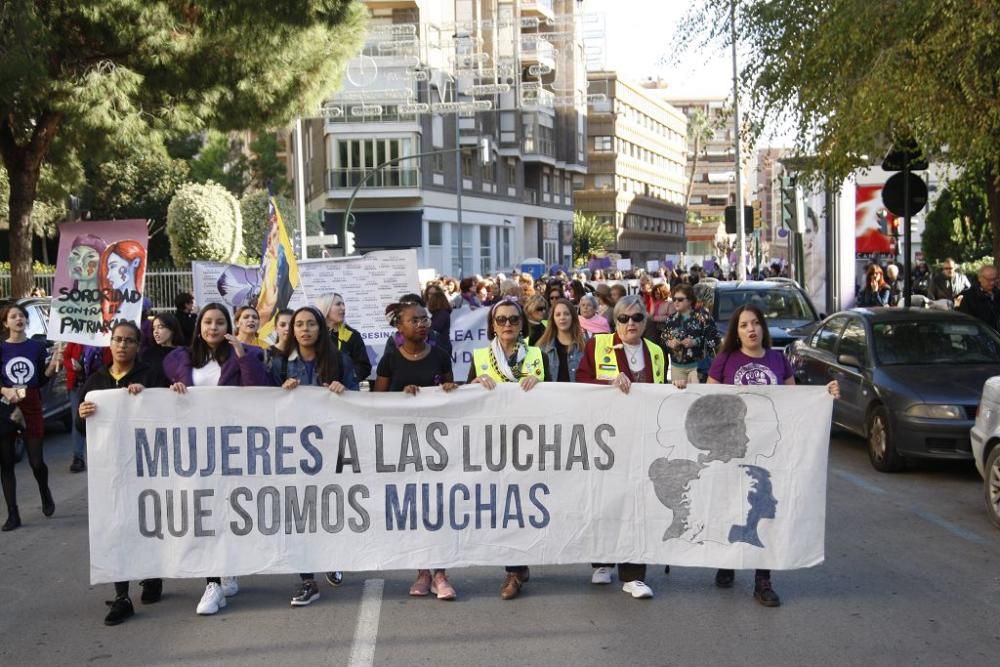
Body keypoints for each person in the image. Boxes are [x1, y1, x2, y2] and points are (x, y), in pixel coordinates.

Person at [707, 304, 839, 607]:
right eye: (743, 325)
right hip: (734, 448)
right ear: (736, 332)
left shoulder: (778, 360)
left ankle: (762, 580)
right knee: (730, 505)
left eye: (755, 323)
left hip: (770, 451)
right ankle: (727, 561)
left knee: (761, 509)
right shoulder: (725, 360)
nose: (751, 329)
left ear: (763, 327)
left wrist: (824, 393)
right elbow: (708, 401)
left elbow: (796, 402)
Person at [162, 303, 272, 615]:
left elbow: (258, 390)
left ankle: (228, 565)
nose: (213, 328)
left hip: (231, 445)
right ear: (199, 326)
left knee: (229, 507)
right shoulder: (180, 359)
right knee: (205, 510)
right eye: (208, 322)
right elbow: (165, 394)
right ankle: (212, 584)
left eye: (220, 322)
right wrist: (173, 389)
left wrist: (241, 355)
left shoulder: (245, 355)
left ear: (228, 327)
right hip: (195, 447)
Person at [575, 295, 664, 599]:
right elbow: (582, 382)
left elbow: (661, 392)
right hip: (605, 437)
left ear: (645, 321)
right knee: (603, 501)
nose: (630, 324)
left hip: (640, 438)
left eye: (637, 318)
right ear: (614, 321)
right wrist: (609, 385)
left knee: (637, 504)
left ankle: (633, 574)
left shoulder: (655, 352)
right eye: (624, 318)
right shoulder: (597, 345)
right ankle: (601, 563)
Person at [77, 321, 165, 625]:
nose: (122, 345)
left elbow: (169, 417)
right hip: (111, 469)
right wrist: (82, 414)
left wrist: (148, 399)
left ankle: (152, 574)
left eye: (129, 341)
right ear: (110, 343)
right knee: (116, 525)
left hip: (146, 466)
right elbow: (81, 428)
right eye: (117, 340)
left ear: (137, 346)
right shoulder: (96, 381)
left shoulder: (151, 376)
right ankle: (121, 595)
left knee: (148, 522)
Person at [375, 301, 459, 600]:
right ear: (400, 326)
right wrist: (401, 396)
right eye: (415, 320)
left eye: (425, 319)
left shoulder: (440, 356)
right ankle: (422, 572)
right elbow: (377, 403)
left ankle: (441, 574)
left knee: (440, 508)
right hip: (404, 449)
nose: (422, 324)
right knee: (417, 510)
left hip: (439, 449)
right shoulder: (389, 361)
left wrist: (449, 390)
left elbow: (454, 402)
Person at [468, 299, 549, 600]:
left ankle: (520, 563)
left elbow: (560, 394)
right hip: (495, 441)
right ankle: (513, 571)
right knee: (505, 505)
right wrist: (475, 382)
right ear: (493, 324)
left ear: (521, 323)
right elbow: (465, 397)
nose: (507, 325)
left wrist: (540, 385)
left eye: (513, 319)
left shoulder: (538, 356)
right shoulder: (480, 356)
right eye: (501, 320)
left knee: (528, 504)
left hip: (530, 440)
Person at [272, 306, 351, 606]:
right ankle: (307, 580)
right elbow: (262, 400)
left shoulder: (338, 360)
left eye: (310, 324)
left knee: (330, 506)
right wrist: (281, 390)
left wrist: (344, 390)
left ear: (320, 328)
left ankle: (333, 557)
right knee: (299, 512)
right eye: (299, 325)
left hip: (331, 448)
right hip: (293, 450)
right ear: (292, 330)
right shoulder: (279, 362)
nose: (304, 329)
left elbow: (357, 395)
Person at [0, 304, 63, 530]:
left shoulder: (35, 348)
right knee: (6, 463)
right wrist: (4, 390)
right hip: (7, 408)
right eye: (13, 316)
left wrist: (54, 365)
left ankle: (45, 492)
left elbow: (41, 379)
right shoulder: (1, 349)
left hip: (32, 404)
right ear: (6, 323)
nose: (19, 319)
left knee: (36, 461)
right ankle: (13, 514)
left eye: (22, 316)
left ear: (26, 322)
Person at [662, 284, 720, 389]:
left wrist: (696, 342)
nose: (676, 302)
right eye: (674, 299)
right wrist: (669, 342)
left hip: (698, 367)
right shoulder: (671, 319)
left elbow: (714, 339)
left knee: (697, 398)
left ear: (689, 301)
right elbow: (664, 338)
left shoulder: (703, 317)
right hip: (677, 367)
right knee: (680, 399)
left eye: (680, 299)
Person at [314, 293, 371, 387]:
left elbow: (364, 367)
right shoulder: (314, 335)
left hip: (345, 391)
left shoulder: (352, 335)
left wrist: (346, 381)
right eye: (338, 304)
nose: (343, 308)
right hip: (320, 390)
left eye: (343, 304)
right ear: (325, 308)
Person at [535, 298, 587, 382]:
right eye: (558, 314)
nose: (562, 317)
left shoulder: (585, 346)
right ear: (553, 319)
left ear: (573, 317)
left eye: (566, 314)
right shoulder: (542, 348)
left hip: (578, 394)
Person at [141, 313, 183, 385]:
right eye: (154, 328)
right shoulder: (147, 354)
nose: (156, 332)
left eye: (160, 327)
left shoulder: (183, 354)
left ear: (172, 329)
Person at [958, 265, 1000, 331]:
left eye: (994, 279)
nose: (992, 283)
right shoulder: (969, 296)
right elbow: (965, 321)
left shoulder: (997, 294)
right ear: (980, 278)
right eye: (988, 280)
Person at [424, 284, 453, 356]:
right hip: (440, 346)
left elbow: (434, 329)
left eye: (433, 295)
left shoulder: (442, 314)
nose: (430, 297)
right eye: (429, 294)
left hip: (441, 347)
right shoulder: (438, 313)